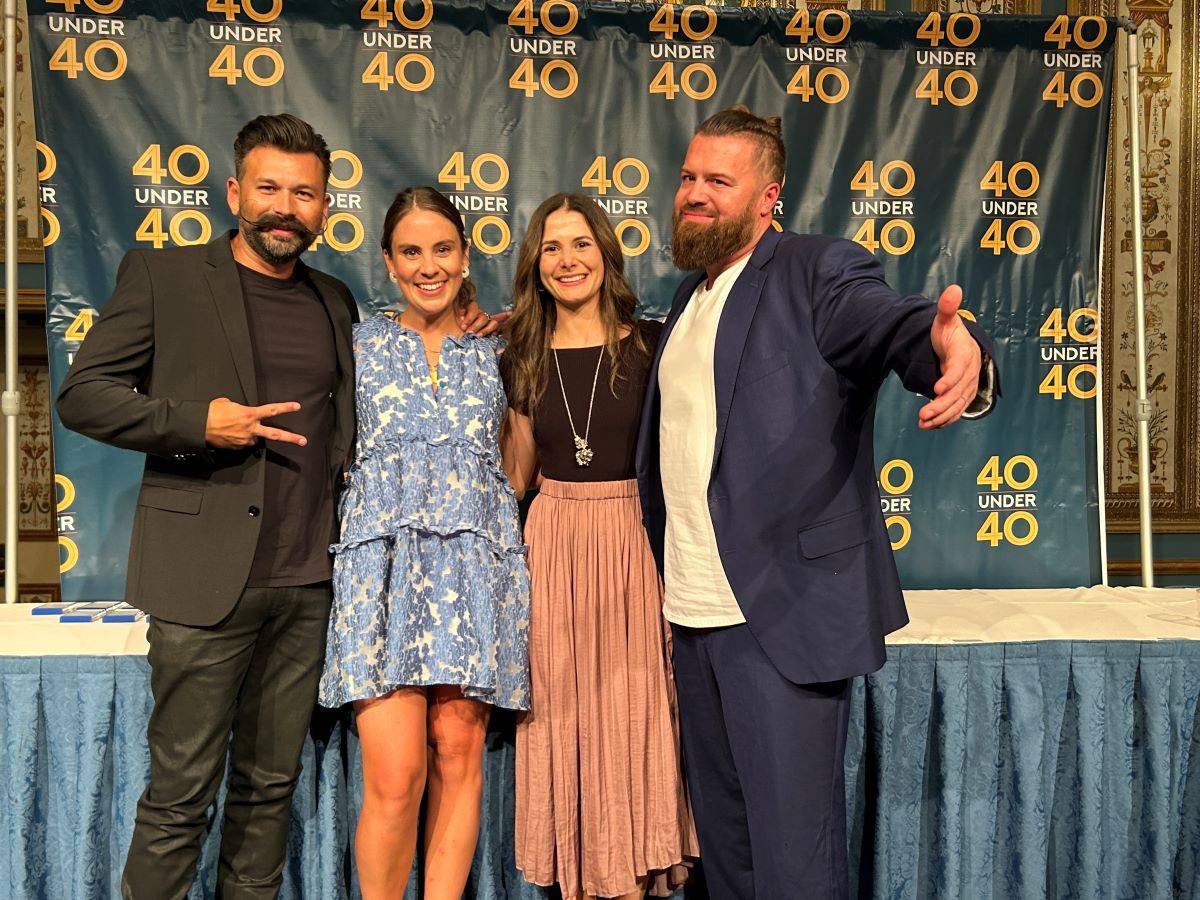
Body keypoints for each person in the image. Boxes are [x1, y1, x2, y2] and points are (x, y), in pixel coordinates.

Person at [55, 116, 497, 899]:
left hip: (308, 589)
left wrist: (472, 327)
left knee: (267, 796)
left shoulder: (336, 304)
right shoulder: (164, 276)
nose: (285, 207)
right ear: (235, 192)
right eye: (269, 188)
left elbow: (407, 391)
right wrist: (196, 423)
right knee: (179, 799)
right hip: (202, 584)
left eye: (304, 193)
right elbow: (83, 396)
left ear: (325, 207)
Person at [635, 106, 999, 898]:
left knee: (795, 868)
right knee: (729, 862)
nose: (694, 193)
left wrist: (947, 342)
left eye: (718, 182)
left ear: (768, 197)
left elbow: (889, 322)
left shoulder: (817, 270)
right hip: (692, 618)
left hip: (779, 619)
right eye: (690, 177)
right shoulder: (686, 301)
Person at [318, 186, 530, 900]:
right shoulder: (358, 344)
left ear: (466, 255)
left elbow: (519, 463)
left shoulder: (499, 347)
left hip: (476, 566)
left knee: (458, 751)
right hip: (382, 569)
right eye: (411, 251)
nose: (429, 265)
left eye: (443, 249)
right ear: (387, 261)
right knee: (394, 773)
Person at [501, 193, 696, 900]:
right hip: (551, 542)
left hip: (632, 541)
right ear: (535, 264)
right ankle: (580, 871)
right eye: (551, 247)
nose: (567, 259)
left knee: (636, 707)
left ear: (606, 254)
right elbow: (518, 474)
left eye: (580, 243)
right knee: (560, 713)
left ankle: (634, 867)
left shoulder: (650, 345)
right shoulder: (519, 354)